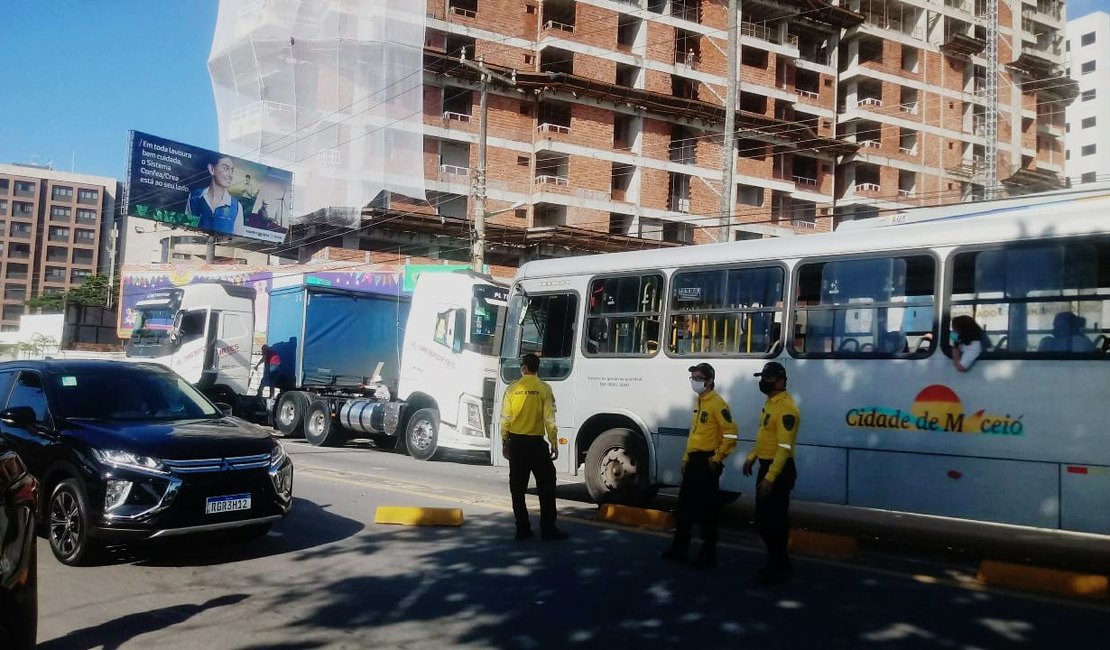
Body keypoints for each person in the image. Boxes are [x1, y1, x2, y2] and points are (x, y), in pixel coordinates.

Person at [661, 362, 737, 568]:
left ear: (710, 381)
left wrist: (717, 458)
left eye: (698, 378)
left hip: (707, 463)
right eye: (692, 378)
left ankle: (708, 554)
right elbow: (694, 434)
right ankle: (679, 548)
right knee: (684, 508)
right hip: (694, 462)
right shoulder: (700, 401)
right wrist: (686, 458)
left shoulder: (717, 404)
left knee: (707, 511)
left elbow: (731, 436)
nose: (694, 381)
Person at [500, 353, 568, 541]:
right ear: (537, 368)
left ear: (524, 368)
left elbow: (505, 420)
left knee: (517, 489)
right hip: (536, 444)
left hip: (517, 443)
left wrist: (505, 442)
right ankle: (548, 528)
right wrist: (554, 443)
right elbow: (549, 419)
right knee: (547, 484)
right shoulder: (544, 388)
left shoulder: (512, 389)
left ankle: (522, 528)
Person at [743, 361, 800, 585]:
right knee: (766, 519)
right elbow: (766, 436)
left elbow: (784, 448)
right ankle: (780, 561)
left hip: (779, 470)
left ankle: (777, 564)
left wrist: (769, 478)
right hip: (767, 466)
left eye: (767, 378)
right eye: (762, 378)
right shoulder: (771, 404)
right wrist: (751, 458)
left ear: (780, 381)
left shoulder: (787, 408)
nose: (762, 383)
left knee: (772, 520)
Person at [186, 154, 242, 235]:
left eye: (232, 170)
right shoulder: (194, 197)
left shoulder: (236, 207)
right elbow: (186, 230)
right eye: (225, 168)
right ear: (212, 169)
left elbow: (237, 240)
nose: (230, 175)